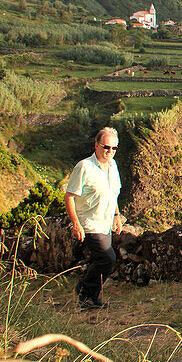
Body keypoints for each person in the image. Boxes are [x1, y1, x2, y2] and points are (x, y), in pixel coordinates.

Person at [65, 127, 124, 309]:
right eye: (106, 147)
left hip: (105, 223)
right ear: (97, 146)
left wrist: (116, 216)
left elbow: (113, 194)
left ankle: (90, 298)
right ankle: (84, 292)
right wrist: (76, 224)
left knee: (100, 260)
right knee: (107, 258)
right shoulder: (84, 167)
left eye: (114, 148)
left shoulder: (113, 167)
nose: (110, 151)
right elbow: (69, 196)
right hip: (89, 224)